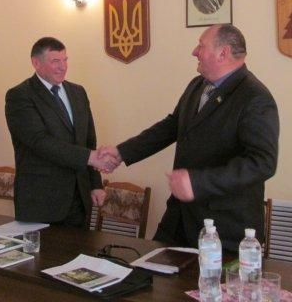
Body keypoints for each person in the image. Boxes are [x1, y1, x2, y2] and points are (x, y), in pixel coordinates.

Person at [100, 24, 279, 251]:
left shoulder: (254, 97)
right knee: (151, 270)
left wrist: (197, 182)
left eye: (201, 46)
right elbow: (171, 127)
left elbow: (262, 163)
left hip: (224, 229)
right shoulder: (197, 85)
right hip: (179, 218)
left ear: (222, 53)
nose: (194, 52)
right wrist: (122, 152)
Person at [5, 37, 111, 228]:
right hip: (41, 203)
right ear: (36, 63)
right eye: (55, 61)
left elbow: (89, 141)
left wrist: (95, 184)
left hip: (79, 200)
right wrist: (90, 157)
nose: (63, 67)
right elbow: (39, 142)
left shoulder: (78, 92)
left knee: (81, 247)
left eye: (65, 60)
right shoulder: (20, 96)